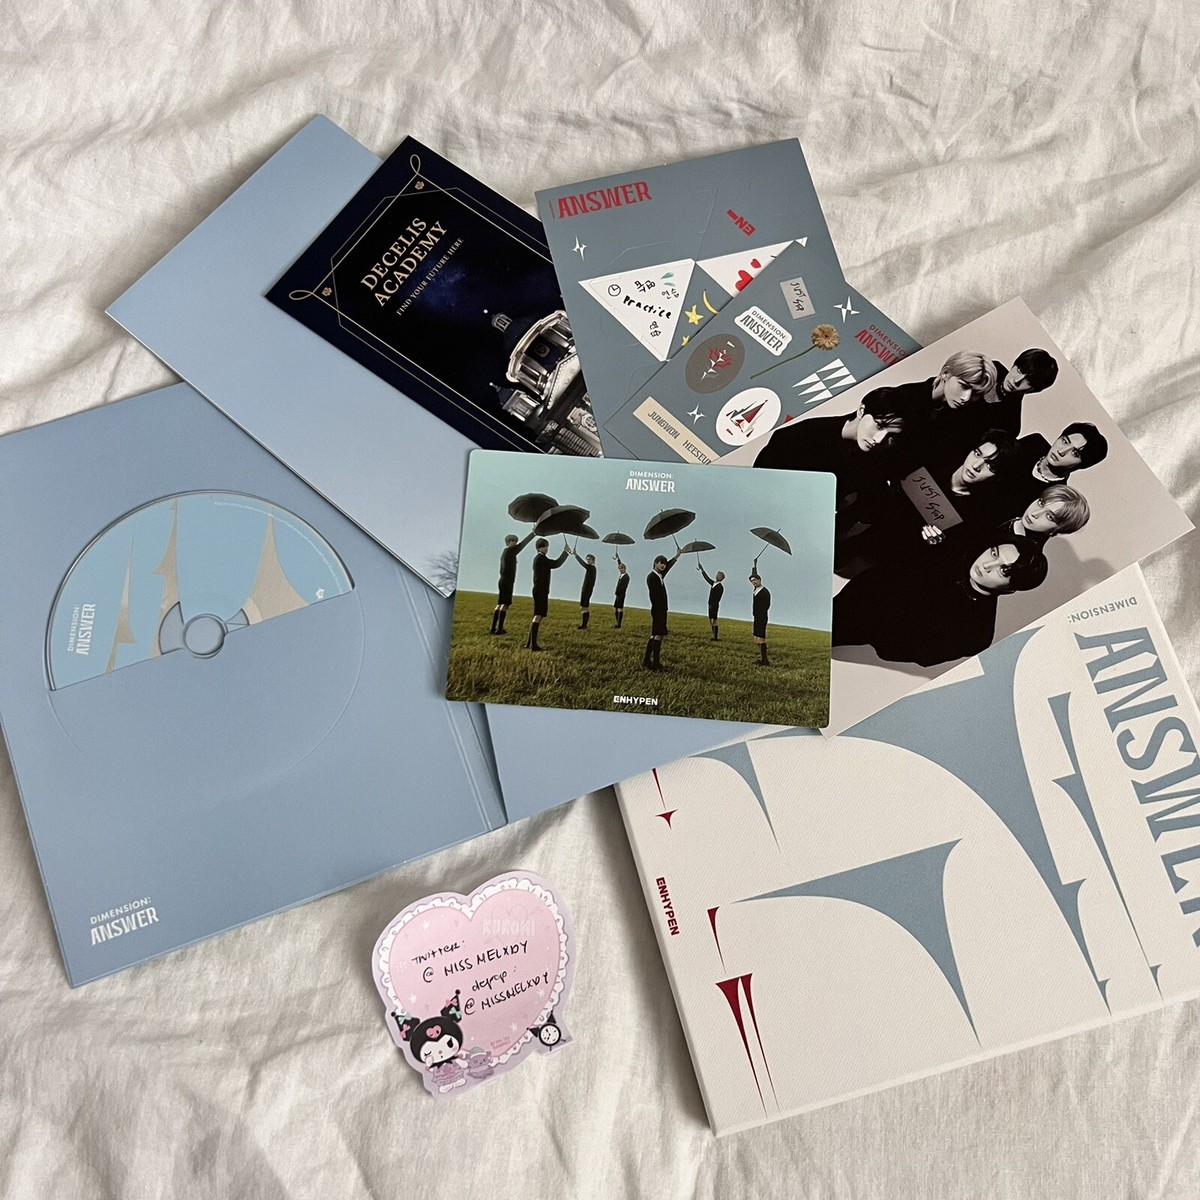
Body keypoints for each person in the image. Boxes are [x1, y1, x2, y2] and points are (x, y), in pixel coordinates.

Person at [832, 536, 1048, 667]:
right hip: (849, 594)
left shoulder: (976, 634)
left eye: (1003, 570)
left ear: (1010, 588)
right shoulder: (951, 552)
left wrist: (881, 620)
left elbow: (900, 652)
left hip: (854, 628)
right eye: (994, 553)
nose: (986, 565)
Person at [998, 422, 1109, 512]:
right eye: (1065, 441)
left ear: (1082, 464)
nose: (1061, 451)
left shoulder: (1056, 495)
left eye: (1075, 453)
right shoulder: (1033, 443)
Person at [964, 347, 1059, 439]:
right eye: (1020, 370)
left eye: (1029, 381)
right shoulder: (991, 370)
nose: (1017, 380)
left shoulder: (1011, 425)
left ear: (1033, 390)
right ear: (1015, 364)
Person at [997, 483, 1090, 546]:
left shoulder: (1026, 558)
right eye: (1041, 503)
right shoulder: (1008, 510)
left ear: (1057, 530)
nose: (1035, 514)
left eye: (1049, 517)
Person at [525, 535, 569, 651]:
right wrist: (565, 552)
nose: (546, 548)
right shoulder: (542, 559)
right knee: (538, 615)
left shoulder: (539, 558)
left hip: (539, 590)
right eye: (544, 546)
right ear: (539, 548)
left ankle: (529, 643)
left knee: (537, 615)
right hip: (541, 590)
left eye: (547, 546)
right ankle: (533, 645)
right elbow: (556, 564)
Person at [643, 548, 681, 672]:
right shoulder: (652, 577)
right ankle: (656, 663)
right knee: (659, 635)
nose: (663, 565)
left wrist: (677, 555)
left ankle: (646, 660)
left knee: (654, 634)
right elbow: (654, 596)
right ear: (655, 563)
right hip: (658, 609)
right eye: (661, 563)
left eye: (664, 563)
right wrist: (660, 610)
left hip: (659, 609)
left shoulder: (659, 575)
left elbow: (669, 566)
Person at [491, 530, 535, 634]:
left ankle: (493, 628)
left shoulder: (505, 552)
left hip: (502, 580)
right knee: (505, 604)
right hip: (507, 581)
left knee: (500, 603)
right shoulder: (510, 552)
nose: (515, 543)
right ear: (508, 542)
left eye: (515, 541)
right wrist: (533, 534)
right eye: (513, 541)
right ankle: (499, 629)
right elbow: (523, 544)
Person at [698, 559, 725, 640]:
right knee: (711, 621)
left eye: (719, 575)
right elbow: (707, 578)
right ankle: (714, 636)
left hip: (714, 605)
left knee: (714, 621)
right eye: (717, 574)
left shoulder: (720, 587)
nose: (717, 576)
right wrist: (702, 569)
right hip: (710, 604)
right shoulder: (713, 583)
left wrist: (712, 605)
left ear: (722, 578)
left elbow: (717, 599)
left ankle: (715, 637)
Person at [571, 545, 597, 628]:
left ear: (593, 560)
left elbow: (583, 564)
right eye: (587, 559)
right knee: (583, 607)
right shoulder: (590, 568)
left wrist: (576, 555)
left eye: (589, 559)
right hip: (585, 589)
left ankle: (584, 625)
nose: (588, 561)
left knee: (585, 607)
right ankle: (584, 624)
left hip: (587, 589)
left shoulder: (592, 568)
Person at [750, 572, 771, 666]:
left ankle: (764, 660)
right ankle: (762, 657)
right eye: (752, 581)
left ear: (759, 580)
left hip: (761, 617)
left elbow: (766, 605)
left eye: (755, 580)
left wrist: (759, 614)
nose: (753, 582)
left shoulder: (764, 592)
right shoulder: (756, 590)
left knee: (761, 638)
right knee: (757, 638)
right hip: (757, 617)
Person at [613, 554, 630, 628]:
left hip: (621, 594)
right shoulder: (622, 575)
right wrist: (618, 558)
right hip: (618, 594)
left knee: (620, 608)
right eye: (619, 568)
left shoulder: (626, 577)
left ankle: (619, 624)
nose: (620, 569)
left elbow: (623, 587)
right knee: (615, 608)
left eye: (622, 568)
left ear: (625, 568)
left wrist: (618, 592)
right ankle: (617, 622)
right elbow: (620, 564)